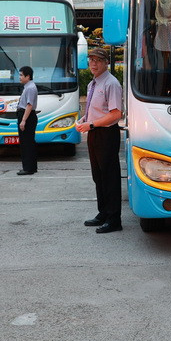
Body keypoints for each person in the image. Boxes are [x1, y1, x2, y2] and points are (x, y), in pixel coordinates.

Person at [77, 48, 123, 233]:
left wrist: (92, 125)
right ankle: (103, 213)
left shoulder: (111, 83)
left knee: (110, 177)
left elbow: (116, 114)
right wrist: (84, 121)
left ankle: (114, 219)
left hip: (106, 134)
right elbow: (94, 111)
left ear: (106, 63)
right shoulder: (92, 84)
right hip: (94, 133)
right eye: (91, 60)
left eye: (98, 60)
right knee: (98, 176)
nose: (94, 63)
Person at [16, 66, 39, 175]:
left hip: (27, 116)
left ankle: (28, 168)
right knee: (28, 142)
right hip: (27, 115)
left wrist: (23, 120)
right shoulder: (28, 86)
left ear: (28, 76)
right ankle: (31, 167)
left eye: (21, 75)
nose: (19, 77)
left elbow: (29, 105)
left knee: (27, 143)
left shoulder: (30, 88)